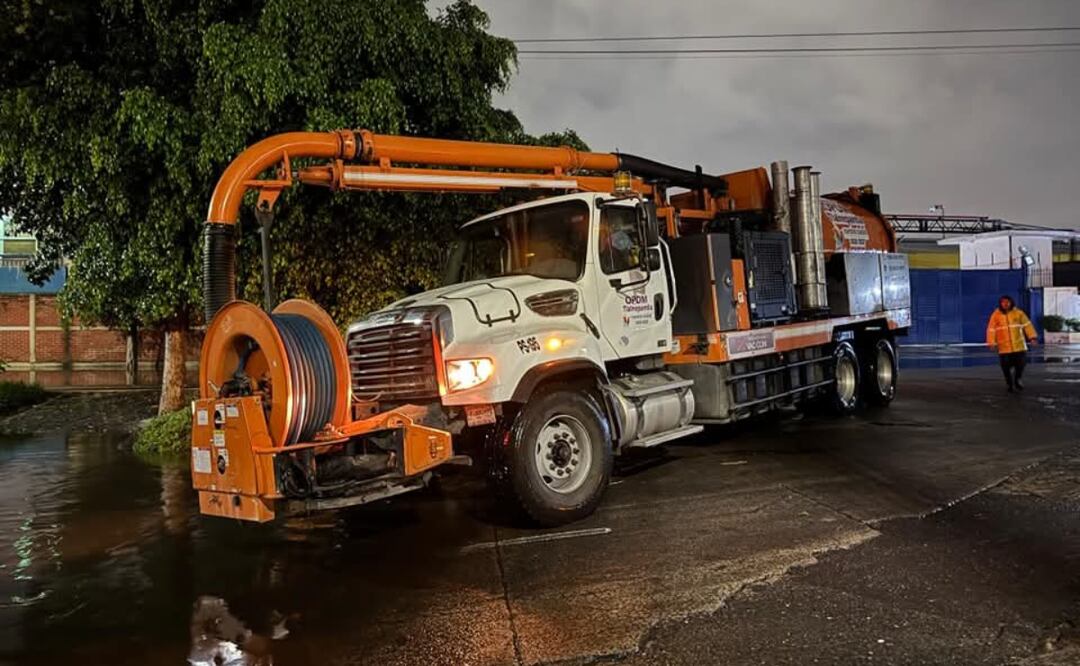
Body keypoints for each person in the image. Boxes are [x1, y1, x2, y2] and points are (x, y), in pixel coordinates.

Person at [985, 295, 1038, 392]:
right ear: (1000, 303)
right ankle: (1009, 384)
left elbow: (1027, 325)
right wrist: (991, 343)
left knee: (1020, 365)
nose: (1005, 304)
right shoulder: (995, 315)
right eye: (1003, 302)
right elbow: (991, 330)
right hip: (1004, 348)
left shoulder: (1019, 313)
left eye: (1007, 302)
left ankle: (1017, 379)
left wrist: (1032, 337)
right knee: (1005, 368)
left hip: (1019, 346)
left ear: (1011, 302)